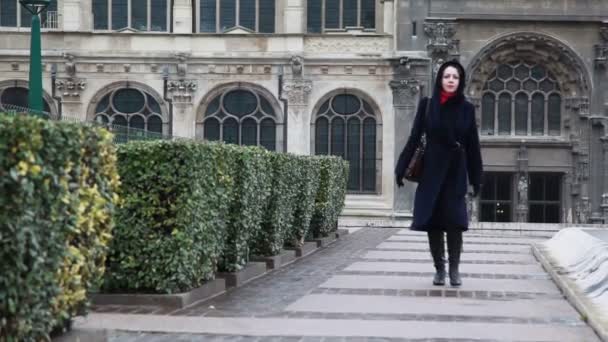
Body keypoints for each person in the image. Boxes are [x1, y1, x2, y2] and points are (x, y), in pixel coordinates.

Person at [394, 60, 483, 287]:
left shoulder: (466, 108)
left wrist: (476, 178)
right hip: (432, 170)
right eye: (447, 76)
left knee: (454, 222)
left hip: (455, 171)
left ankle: (454, 269)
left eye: (455, 77)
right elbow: (414, 138)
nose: (451, 80)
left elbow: (473, 145)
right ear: (439, 79)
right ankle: (439, 269)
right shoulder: (427, 105)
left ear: (460, 81)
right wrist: (401, 167)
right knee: (433, 222)